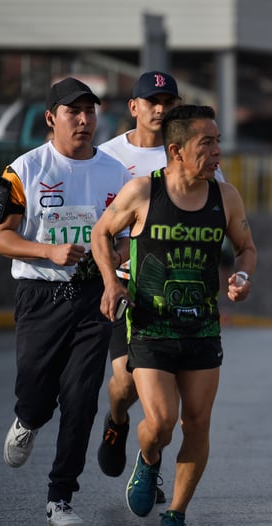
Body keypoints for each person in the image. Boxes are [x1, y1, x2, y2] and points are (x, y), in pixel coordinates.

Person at [91, 105, 257, 526]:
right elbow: (101, 233)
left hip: (202, 328)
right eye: (207, 143)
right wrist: (111, 283)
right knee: (162, 422)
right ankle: (147, 459)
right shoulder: (143, 192)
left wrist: (242, 275)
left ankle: (177, 514)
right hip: (150, 323)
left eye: (219, 141)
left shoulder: (226, 197)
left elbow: (246, 247)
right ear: (176, 151)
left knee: (197, 424)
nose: (218, 151)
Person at [0, 77, 133, 526]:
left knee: (81, 400)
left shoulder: (115, 173)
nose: (85, 121)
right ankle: (28, 418)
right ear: (52, 118)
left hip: (93, 297)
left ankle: (60, 498)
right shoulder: (23, 170)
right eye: (74, 112)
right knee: (36, 392)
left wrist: (116, 268)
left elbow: (127, 238)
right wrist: (47, 250)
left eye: (90, 112)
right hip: (40, 295)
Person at [95, 71, 182, 503]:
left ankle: (150, 466)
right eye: (152, 101)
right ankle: (116, 420)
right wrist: (111, 261)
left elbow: (214, 204)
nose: (160, 109)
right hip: (127, 287)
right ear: (134, 106)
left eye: (168, 101)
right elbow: (97, 221)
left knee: (161, 393)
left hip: (173, 294)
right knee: (124, 384)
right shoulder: (108, 157)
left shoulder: (183, 154)